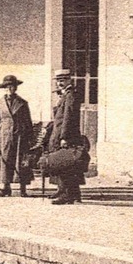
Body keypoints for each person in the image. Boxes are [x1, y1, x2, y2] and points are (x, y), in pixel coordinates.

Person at [41, 69, 87, 205]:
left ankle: (68, 194)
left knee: (66, 165)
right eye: (58, 80)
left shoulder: (70, 95)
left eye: (63, 80)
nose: (60, 83)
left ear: (69, 80)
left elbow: (68, 117)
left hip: (66, 135)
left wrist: (64, 137)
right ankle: (66, 191)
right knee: (64, 164)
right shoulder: (65, 95)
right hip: (60, 133)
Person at [0, 74, 33, 197]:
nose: (9, 88)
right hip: (4, 135)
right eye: (7, 86)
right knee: (5, 160)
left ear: (15, 87)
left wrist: (30, 137)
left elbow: (28, 121)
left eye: (12, 86)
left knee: (20, 161)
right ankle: (6, 187)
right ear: (4, 88)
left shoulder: (22, 103)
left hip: (20, 135)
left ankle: (22, 188)